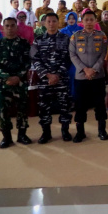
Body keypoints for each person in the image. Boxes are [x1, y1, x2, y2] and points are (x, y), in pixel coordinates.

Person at [31, 13, 73, 143]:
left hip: (62, 79)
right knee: (44, 107)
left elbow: (69, 59)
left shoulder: (66, 39)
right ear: (44, 23)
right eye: (48, 21)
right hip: (45, 80)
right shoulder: (38, 40)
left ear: (58, 22)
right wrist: (48, 75)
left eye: (54, 21)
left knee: (64, 105)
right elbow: (35, 59)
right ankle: (46, 133)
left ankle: (65, 131)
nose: (51, 24)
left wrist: (58, 74)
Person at [0, 17, 32, 148]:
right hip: (3, 83)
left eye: (12, 25)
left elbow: (27, 62)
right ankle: (6, 137)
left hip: (20, 82)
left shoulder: (24, 43)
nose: (10, 28)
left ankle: (22, 135)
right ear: (3, 28)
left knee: (22, 109)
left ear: (16, 27)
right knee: (3, 109)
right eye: (7, 26)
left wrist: (18, 77)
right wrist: (7, 77)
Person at [68, 10, 108, 142]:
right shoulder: (75, 36)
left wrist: (94, 69)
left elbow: (104, 54)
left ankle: (102, 130)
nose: (89, 22)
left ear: (95, 21)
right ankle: (80, 132)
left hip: (98, 76)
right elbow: (72, 55)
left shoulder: (101, 36)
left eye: (92, 19)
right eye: (86, 20)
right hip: (81, 76)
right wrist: (85, 69)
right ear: (82, 21)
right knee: (80, 105)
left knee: (100, 104)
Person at [60, 11, 82, 98]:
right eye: (69, 18)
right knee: (67, 76)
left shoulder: (81, 30)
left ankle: (76, 97)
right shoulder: (62, 31)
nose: (71, 20)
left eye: (73, 18)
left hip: (78, 57)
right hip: (66, 57)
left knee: (76, 75)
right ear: (66, 20)